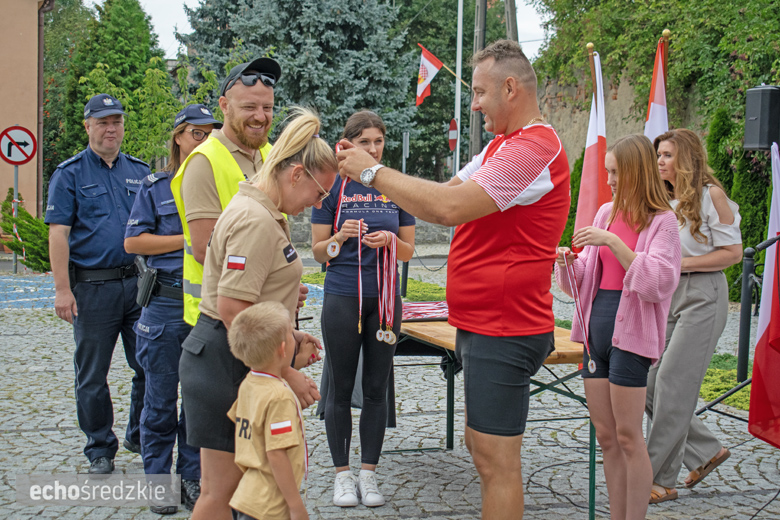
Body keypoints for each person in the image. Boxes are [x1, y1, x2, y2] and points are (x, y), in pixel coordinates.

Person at [337, 40, 570, 519]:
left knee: (496, 461)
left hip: (506, 326)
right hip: (486, 323)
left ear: (511, 88)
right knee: (484, 452)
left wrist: (373, 172)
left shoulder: (534, 149)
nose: (475, 104)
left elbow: (447, 209)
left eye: (481, 92)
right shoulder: (504, 146)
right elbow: (441, 195)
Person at [179, 106, 335, 520]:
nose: (318, 204)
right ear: (297, 174)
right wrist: (284, 372)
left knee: (239, 493)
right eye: (319, 194)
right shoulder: (255, 219)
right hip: (227, 360)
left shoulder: (265, 210)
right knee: (220, 492)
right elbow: (233, 310)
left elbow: (252, 298)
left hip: (236, 356)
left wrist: (288, 323)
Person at [554, 134, 681, 519]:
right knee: (607, 437)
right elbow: (581, 283)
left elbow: (657, 282)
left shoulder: (664, 222)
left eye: (615, 172)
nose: (608, 180)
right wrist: (564, 264)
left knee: (628, 436)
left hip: (633, 337)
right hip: (596, 336)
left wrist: (612, 241)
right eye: (607, 171)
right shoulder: (604, 213)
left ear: (635, 174)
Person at [311, 110, 415, 508]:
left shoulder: (394, 185)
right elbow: (320, 250)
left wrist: (390, 239)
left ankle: (368, 474)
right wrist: (339, 235)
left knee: (376, 388)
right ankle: (342, 475)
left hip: (385, 300)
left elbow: (407, 250)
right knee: (339, 387)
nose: (373, 149)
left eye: (378, 141)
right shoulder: (334, 185)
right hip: (341, 297)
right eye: (365, 142)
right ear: (349, 143)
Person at [123, 104, 221, 513]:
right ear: (179, 136)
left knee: (199, 405)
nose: (204, 139)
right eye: (197, 133)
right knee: (160, 402)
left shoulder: (218, 181)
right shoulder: (157, 186)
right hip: (165, 304)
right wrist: (186, 239)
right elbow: (134, 243)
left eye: (209, 133)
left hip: (206, 306)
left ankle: (193, 479)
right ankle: (158, 483)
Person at [45, 93, 148, 474]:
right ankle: (100, 447)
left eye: (116, 121)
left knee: (149, 366)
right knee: (92, 374)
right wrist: (62, 289)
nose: (111, 129)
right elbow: (59, 234)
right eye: (102, 122)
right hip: (92, 289)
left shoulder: (137, 171)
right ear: (87, 126)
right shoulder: (69, 174)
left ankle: (140, 432)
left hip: (138, 286)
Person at [645, 128, 742, 503]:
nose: (660, 162)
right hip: (669, 295)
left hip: (704, 294)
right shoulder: (664, 200)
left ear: (685, 157)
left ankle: (658, 478)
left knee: (671, 381)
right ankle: (705, 452)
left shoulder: (710, 195)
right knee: (650, 381)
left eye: (666, 155)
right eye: (657, 156)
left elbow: (733, 253)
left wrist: (681, 263)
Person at [227, 301, 309, 520]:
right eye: (292, 335)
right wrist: (295, 505)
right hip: (269, 504)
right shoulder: (279, 396)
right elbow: (276, 453)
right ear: (283, 349)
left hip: (247, 494)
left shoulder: (249, 383)